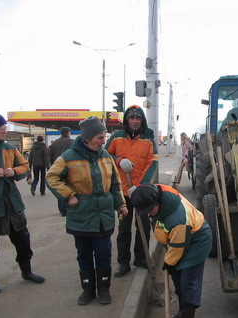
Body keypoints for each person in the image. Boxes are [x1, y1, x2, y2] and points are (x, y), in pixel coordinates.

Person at [46, 116, 128, 305]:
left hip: (103, 218)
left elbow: (115, 184)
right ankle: (88, 290)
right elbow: (51, 177)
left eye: (104, 136)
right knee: (83, 254)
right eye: (100, 137)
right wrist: (69, 195)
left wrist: (121, 204)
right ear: (88, 138)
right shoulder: (68, 157)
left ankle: (104, 289)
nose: (103, 141)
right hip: (81, 217)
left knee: (103, 254)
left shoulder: (106, 156)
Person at [129, 183, 212, 318]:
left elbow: (178, 247)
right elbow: (150, 187)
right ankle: (182, 311)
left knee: (187, 283)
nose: (148, 214)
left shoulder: (177, 219)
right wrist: (138, 191)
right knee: (177, 278)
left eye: (150, 210)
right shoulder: (157, 192)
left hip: (196, 242)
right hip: (179, 240)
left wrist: (168, 262)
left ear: (157, 203)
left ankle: (187, 314)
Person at [105, 105, 158, 277]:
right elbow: (103, 155)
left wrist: (142, 185)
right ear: (127, 120)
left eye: (138, 118)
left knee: (143, 226)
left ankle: (141, 258)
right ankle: (123, 262)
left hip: (141, 191)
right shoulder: (117, 137)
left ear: (142, 119)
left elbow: (153, 163)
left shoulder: (149, 138)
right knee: (124, 228)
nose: (135, 121)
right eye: (131, 118)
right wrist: (119, 160)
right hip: (123, 191)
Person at [0, 114, 45, 294]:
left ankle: (27, 271)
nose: (4, 131)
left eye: (5, 128)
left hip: (13, 203)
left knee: (22, 239)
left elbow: (24, 165)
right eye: (1, 128)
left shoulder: (10, 148)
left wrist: (13, 171)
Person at [48, 126, 73, 216]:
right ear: (68, 133)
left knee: (60, 186)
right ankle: (68, 207)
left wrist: (53, 165)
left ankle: (62, 209)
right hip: (69, 168)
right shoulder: (71, 142)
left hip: (57, 167)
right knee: (68, 186)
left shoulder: (54, 143)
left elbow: (50, 155)